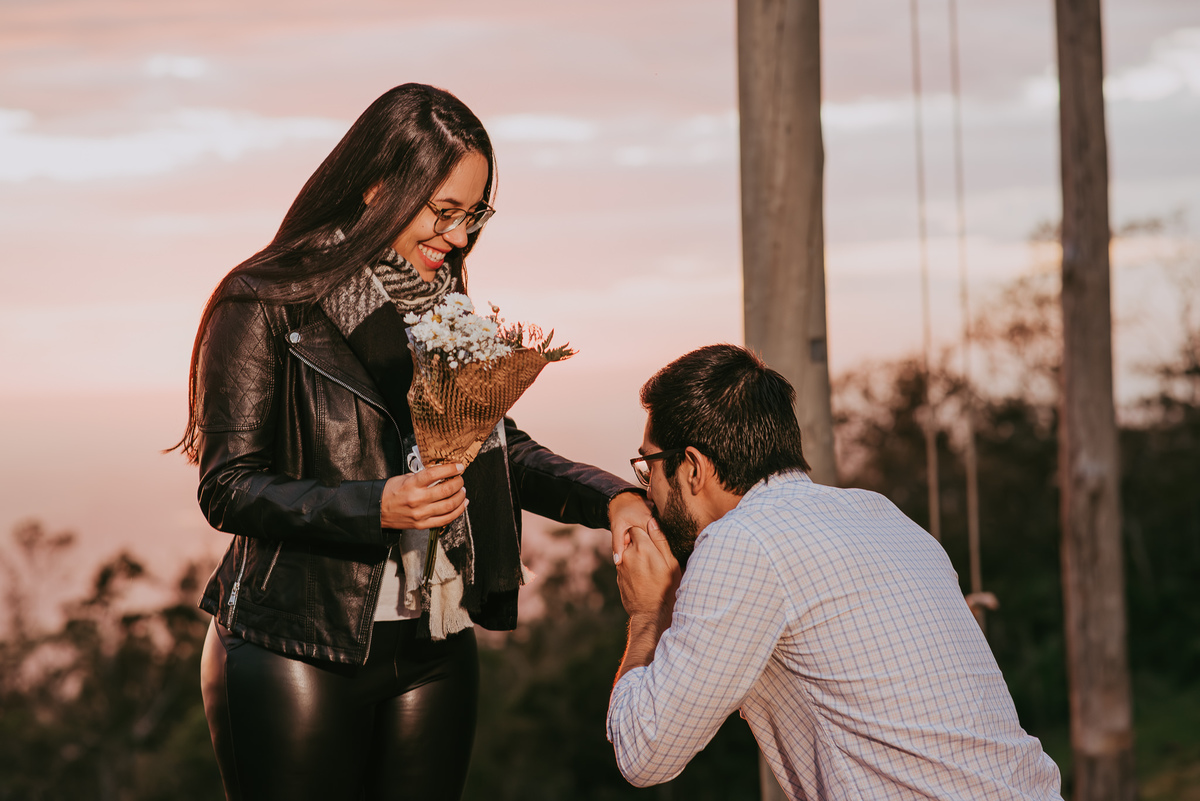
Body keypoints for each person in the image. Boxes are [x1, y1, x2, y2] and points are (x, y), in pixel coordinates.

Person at [174, 83, 650, 801]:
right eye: (445, 211)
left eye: (474, 214)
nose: (459, 237)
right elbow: (228, 485)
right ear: (377, 186)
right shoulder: (264, 298)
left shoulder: (441, 309)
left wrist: (613, 497)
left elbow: (499, 448)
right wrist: (378, 506)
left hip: (433, 646)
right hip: (296, 649)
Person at [606, 344, 1062, 800]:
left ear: (692, 468)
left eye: (650, 468)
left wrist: (649, 612)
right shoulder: (879, 512)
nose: (651, 492)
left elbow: (646, 754)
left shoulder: (741, 541)